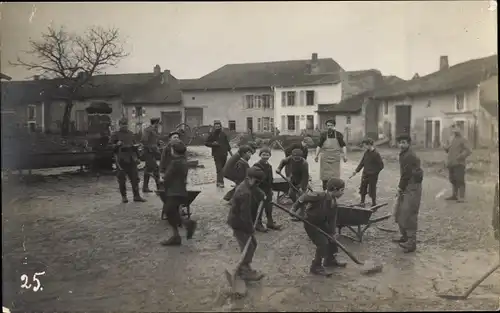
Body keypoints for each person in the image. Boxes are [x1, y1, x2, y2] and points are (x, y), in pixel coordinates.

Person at [290, 177, 347, 276]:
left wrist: (332, 233)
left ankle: (329, 260)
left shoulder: (334, 203)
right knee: (323, 243)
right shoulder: (319, 196)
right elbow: (303, 197)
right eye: (342, 190)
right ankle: (316, 266)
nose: (343, 193)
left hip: (322, 222)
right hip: (310, 223)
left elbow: (333, 220)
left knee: (332, 239)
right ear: (335, 189)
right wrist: (293, 208)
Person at [227, 167, 266, 281]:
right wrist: (250, 228)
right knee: (248, 247)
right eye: (256, 182)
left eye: (259, 182)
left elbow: (256, 189)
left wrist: (262, 194)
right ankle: (244, 271)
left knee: (252, 244)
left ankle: (244, 267)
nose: (257, 184)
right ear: (249, 178)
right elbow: (245, 215)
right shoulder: (244, 193)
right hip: (239, 223)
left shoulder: (247, 184)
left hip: (240, 221)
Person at [160, 141, 197, 246]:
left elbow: (167, 177)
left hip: (174, 191)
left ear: (174, 151)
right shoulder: (184, 161)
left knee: (168, 211)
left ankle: (187, 224)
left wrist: (162, 179)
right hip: (181, 190)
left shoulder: (175, 162)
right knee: (172, 212)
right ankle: (176, 237)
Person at [392, 134, 423, 253]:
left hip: (412, 186)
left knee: (409, 213)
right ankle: (404, 236)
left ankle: (411, 242)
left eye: (404, 142)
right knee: (400, 211)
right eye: (399, 142)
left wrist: (400, 188)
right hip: (407, 184)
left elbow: (406, 174)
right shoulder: (404, 154)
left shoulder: (409, 156)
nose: (401, 145)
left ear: (409, 143)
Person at [109, 117, 146, 203]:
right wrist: (116, 145)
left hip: (131, 159)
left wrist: (138, 156)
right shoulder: (115, 134)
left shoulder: (131, 134)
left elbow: (135, 146)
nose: (124, 126)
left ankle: (136, 196)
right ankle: (124, 197)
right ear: (119, 125)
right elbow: (110, 147)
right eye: (123, 125)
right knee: (122, 179)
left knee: (135, 178)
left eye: (125, 124)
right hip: (121, 160)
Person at [252, 147, 282, 231]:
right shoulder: (257, 165)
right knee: (259, 208)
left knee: (269, 207)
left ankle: (270, 222)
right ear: (260, 155)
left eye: (267, 154)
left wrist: (270, 189)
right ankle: (258, 224)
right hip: (259, 190)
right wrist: (260, 192)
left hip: (268, 190)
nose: (265, 156)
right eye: (263, 154)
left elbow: (270, 179)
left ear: (270, 155)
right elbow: (254, 180)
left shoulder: (269, 166)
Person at [276, 149, 309, 219]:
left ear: (301, 157)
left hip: (302, 181)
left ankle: (302, 214)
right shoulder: (290, 158)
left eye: (298, 158)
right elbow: (283, 161)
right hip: (293, 179)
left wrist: (301, 187)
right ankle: (298, 208)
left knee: (301, 197)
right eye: (295, 158)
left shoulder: (304, 163)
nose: (296, 160)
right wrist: (279, 168)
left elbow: (305, 177)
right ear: (292, 156)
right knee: (291, 194)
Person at [314, 120, 347, 191]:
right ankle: (325, 193)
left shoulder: (338, 135)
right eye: (328, 125)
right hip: (325, 158)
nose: (329, 127)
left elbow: (343, 146)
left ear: (334, 126)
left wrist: (345, 156)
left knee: (335, 177)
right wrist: (316, 155)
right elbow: (319, 146)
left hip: (335, 159)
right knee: (325, 177)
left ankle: (334, 193)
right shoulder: (323, 135)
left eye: (331, 125)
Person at [351, 138, 384, 207]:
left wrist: (374, 172)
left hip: (373, 175)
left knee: (372, 189)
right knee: (363, 188)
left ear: (369, 145)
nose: (364, 147)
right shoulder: (366, 153)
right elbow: (362, 163)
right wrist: (356, 171)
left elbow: (381, 166)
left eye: (365, 145)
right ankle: (362, 202)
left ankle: (374, 203)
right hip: (365, 174)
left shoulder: (376, 154)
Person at [443, 123, 472, 203]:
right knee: (452, 179)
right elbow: (448, 149)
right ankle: (454, 195)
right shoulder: (452, 139)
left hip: (459, 163)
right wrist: (445, 147)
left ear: (460, 129)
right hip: (451, 163)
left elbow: (469, 150)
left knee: (460, 180)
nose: (454, 130)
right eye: (453, 128)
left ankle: (462, 197)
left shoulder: (463, 139)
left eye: (456, 128)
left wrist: (461, 156)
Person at [205, 120, 233, 188]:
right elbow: (206, 143)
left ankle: (218, 182)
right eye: (216, 125)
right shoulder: (212, 134)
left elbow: (227, 144)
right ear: (214, 126)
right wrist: (212, 144)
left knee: (222, 169)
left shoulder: (223, 134)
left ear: (220, 126)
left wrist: (231, 153)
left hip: (224, 154)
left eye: (218, 125)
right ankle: (221, 182)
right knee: (219, 169)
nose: (217, 126)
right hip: (216, 154)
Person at [141, 117, 161, 193]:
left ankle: (145, 188)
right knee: (156, 169)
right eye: (158, 123)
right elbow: (143, 141)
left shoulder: (154, 130)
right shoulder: (147, 130)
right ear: (155, 123)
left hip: (153, 152)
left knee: (148, 169)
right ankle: (159, 188)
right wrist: (150, 148)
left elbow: (154, 140)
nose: (158, 125)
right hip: (148, 152)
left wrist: (158, 143)